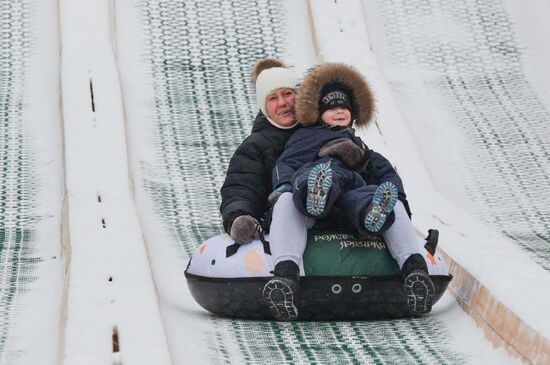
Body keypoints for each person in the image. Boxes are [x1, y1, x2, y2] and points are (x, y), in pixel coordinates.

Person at [271, 63, 435, 315]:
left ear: (354, 112)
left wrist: (398, 201)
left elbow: (387, 175)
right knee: (290, 197)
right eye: (331, 108)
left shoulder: (361, 148)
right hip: (312, 206)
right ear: (317, 112)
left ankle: (413, 271)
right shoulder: (307, 138)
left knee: (379, 196)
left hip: (348, 204)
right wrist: (282, 188)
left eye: (344, 107)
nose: (339, 112)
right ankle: (286, 276)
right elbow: (287, 164)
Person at [220, 59, 370, 321]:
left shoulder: (323, 130)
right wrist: (238, 216)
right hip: (286, 218)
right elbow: (240, 186)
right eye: (273, 98)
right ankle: (285, 281)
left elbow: (364, 173)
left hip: (336, 217)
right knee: (287, 198)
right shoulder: (255, 147)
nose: (283, 103)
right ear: (264, 107)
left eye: (288, 94)